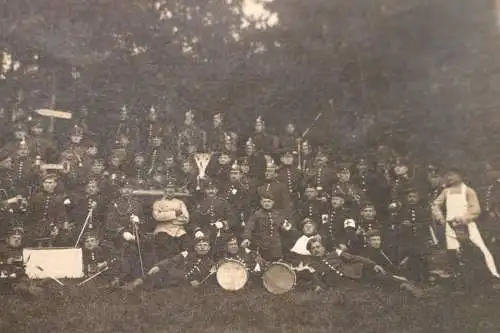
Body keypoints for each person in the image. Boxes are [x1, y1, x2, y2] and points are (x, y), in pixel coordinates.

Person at [432, 168, 500, 288]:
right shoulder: (446, 191)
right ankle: (460, 277)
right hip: (450, 225)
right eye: (448, 175)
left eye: (453, 175)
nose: (450, 177)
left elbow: (476, 209)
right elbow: (436, 204)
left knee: (481, 248)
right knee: (453, 251)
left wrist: (464, 218)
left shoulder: (468, 191)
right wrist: (440, 216)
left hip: (467, 225)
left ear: (461, 176)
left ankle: (493, 274)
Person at [306, 237, 424, 297]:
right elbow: (317, 279)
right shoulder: (313, 265)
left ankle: (405, 285)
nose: (316, 250)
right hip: (343, 284)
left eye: (318, 246)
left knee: (378, 279)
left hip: (357, 272)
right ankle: (400, 282)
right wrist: (320, 287)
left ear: (323, 247)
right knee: (370, 289)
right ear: (310, 252)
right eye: (313, 248)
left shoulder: (335, 253)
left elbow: (355, 258)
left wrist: (373, 264)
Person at [125, 236, 215, 291]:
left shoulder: (210, 263)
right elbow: (171, 260)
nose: (202, 248)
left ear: (209, 248)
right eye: (199, 245)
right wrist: (158, 266)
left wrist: (196, 282)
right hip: (173, 278)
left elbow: (205, 279)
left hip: (184, 286)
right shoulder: (186, 254)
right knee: (155, 272)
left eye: (205, 245)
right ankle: (134, 285)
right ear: (195, 248)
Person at [241, 192, 294, 262]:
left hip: (276, 246)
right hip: (261, 246)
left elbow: (285, 225)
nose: (267, 203)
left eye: (269, 201)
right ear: (261, 203)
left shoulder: (277, 214)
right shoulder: (256, 215)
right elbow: (249, 227)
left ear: (273, 203)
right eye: (264, 201)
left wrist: (287, 227)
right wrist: (246, 238)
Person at [151, 179, 190, 260]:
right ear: (164, 190)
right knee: (165, 249)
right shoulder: (158, 203)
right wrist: (175, 214)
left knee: (187, 246)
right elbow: (157, 217)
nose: (170, 190)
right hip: (163, 230)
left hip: (179, 230)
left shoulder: (180, 202)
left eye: (172, 188)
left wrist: (167, 217)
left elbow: (186, 218)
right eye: (168, 188)